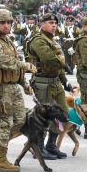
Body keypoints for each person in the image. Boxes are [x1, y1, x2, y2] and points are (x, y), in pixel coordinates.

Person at [0, 9, 36, 172]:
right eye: (3, 23)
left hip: (12, 87)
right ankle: (1, 160)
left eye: (9, 22)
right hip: (0, 88)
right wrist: (23, 65)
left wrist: (24, 83)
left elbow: (14, 65)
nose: (6, 25)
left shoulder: (8, 41)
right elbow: (0, 61)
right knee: (5, 123)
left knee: (20, 120)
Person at [26, 13, 68, 159]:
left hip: (55, 81)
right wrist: (64, 61)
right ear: (42, 24)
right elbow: (49, 59)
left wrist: (64, 80)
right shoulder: (38, 40)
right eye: (50, 22)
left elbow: (58, 66)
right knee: (42, 117)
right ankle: (38, 147)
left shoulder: (52, 40)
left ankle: (51, 145)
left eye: (55, 23)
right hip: (42, 82)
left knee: (62, 114)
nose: (54, 25)